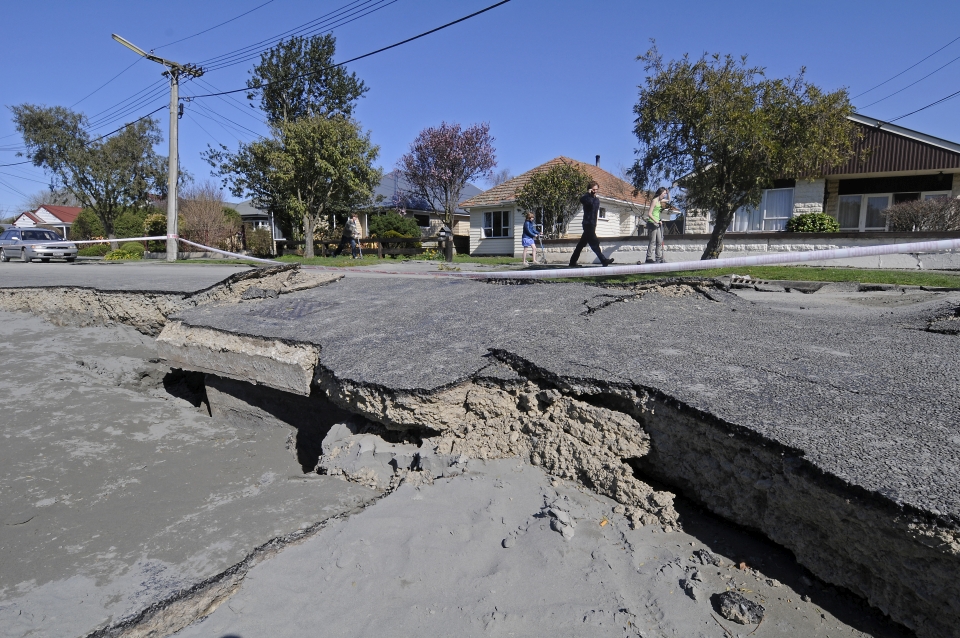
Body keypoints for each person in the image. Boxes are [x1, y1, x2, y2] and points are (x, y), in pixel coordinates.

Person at [568, 181, 614, 267]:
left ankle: (572, 262)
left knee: (581, 245)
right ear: (590, 189)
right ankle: (604, 260)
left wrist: (590, 196)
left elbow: (593, 205)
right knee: (594, 243)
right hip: (587, 223)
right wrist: (588, 194)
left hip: (593, 224)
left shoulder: (596, 200)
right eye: (593, 189)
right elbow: (584, 201)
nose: (595, 191)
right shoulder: (586, 198)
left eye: (596, 189)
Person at [643, 187, 670, 264]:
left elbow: (668, 200)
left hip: (657, 223)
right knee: (653, 241)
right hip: (652, 222)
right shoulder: (654, 201)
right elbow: (649, 213)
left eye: (665, 194)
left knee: (659, 241)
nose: (664, 195)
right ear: (660, 193)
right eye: (664, 193)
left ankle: (658, 257)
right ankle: (648, 258)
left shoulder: (659, 201)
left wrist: (668, 193)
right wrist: (656, 221)